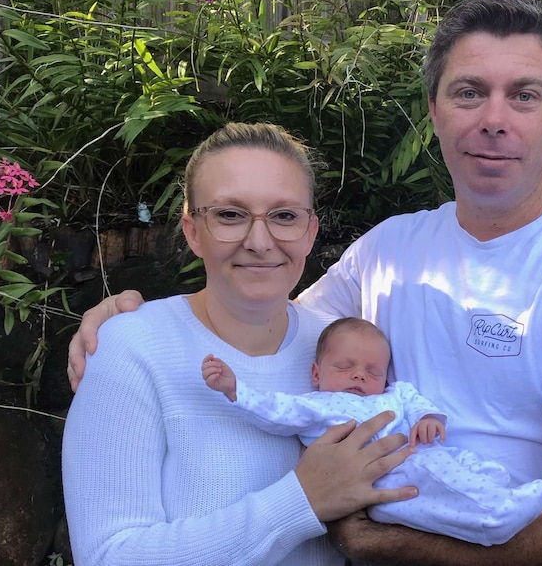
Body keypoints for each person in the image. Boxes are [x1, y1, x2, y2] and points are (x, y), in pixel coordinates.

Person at [68, 0, 542, 564]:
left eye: (525, 95)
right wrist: (130, 322)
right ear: (433, 109)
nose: (494, 119)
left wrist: (374, 542)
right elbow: (266, 318)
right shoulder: (389, 249)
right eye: (469, 92)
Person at [61, 122, 419, 566]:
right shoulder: (131, 348)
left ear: (311, 232)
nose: (259, 240)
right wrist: (300, 501)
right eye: (230, 215)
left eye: (284, 216)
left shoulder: (343, 352)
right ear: (192, 230)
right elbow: (107, 556)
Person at [202, 317, 542, 546]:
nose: (358, 376)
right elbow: (275, 410)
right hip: (389, 477)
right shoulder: (318, 405)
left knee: (468, 466)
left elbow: (414, 399)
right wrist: (236, 390)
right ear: (317, 373)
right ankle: (497, 515)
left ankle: (502, 494)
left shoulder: (393, 394)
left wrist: (429, 417)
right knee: (441, 477)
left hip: (423, 457)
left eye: (372, 371)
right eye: (344, 367)